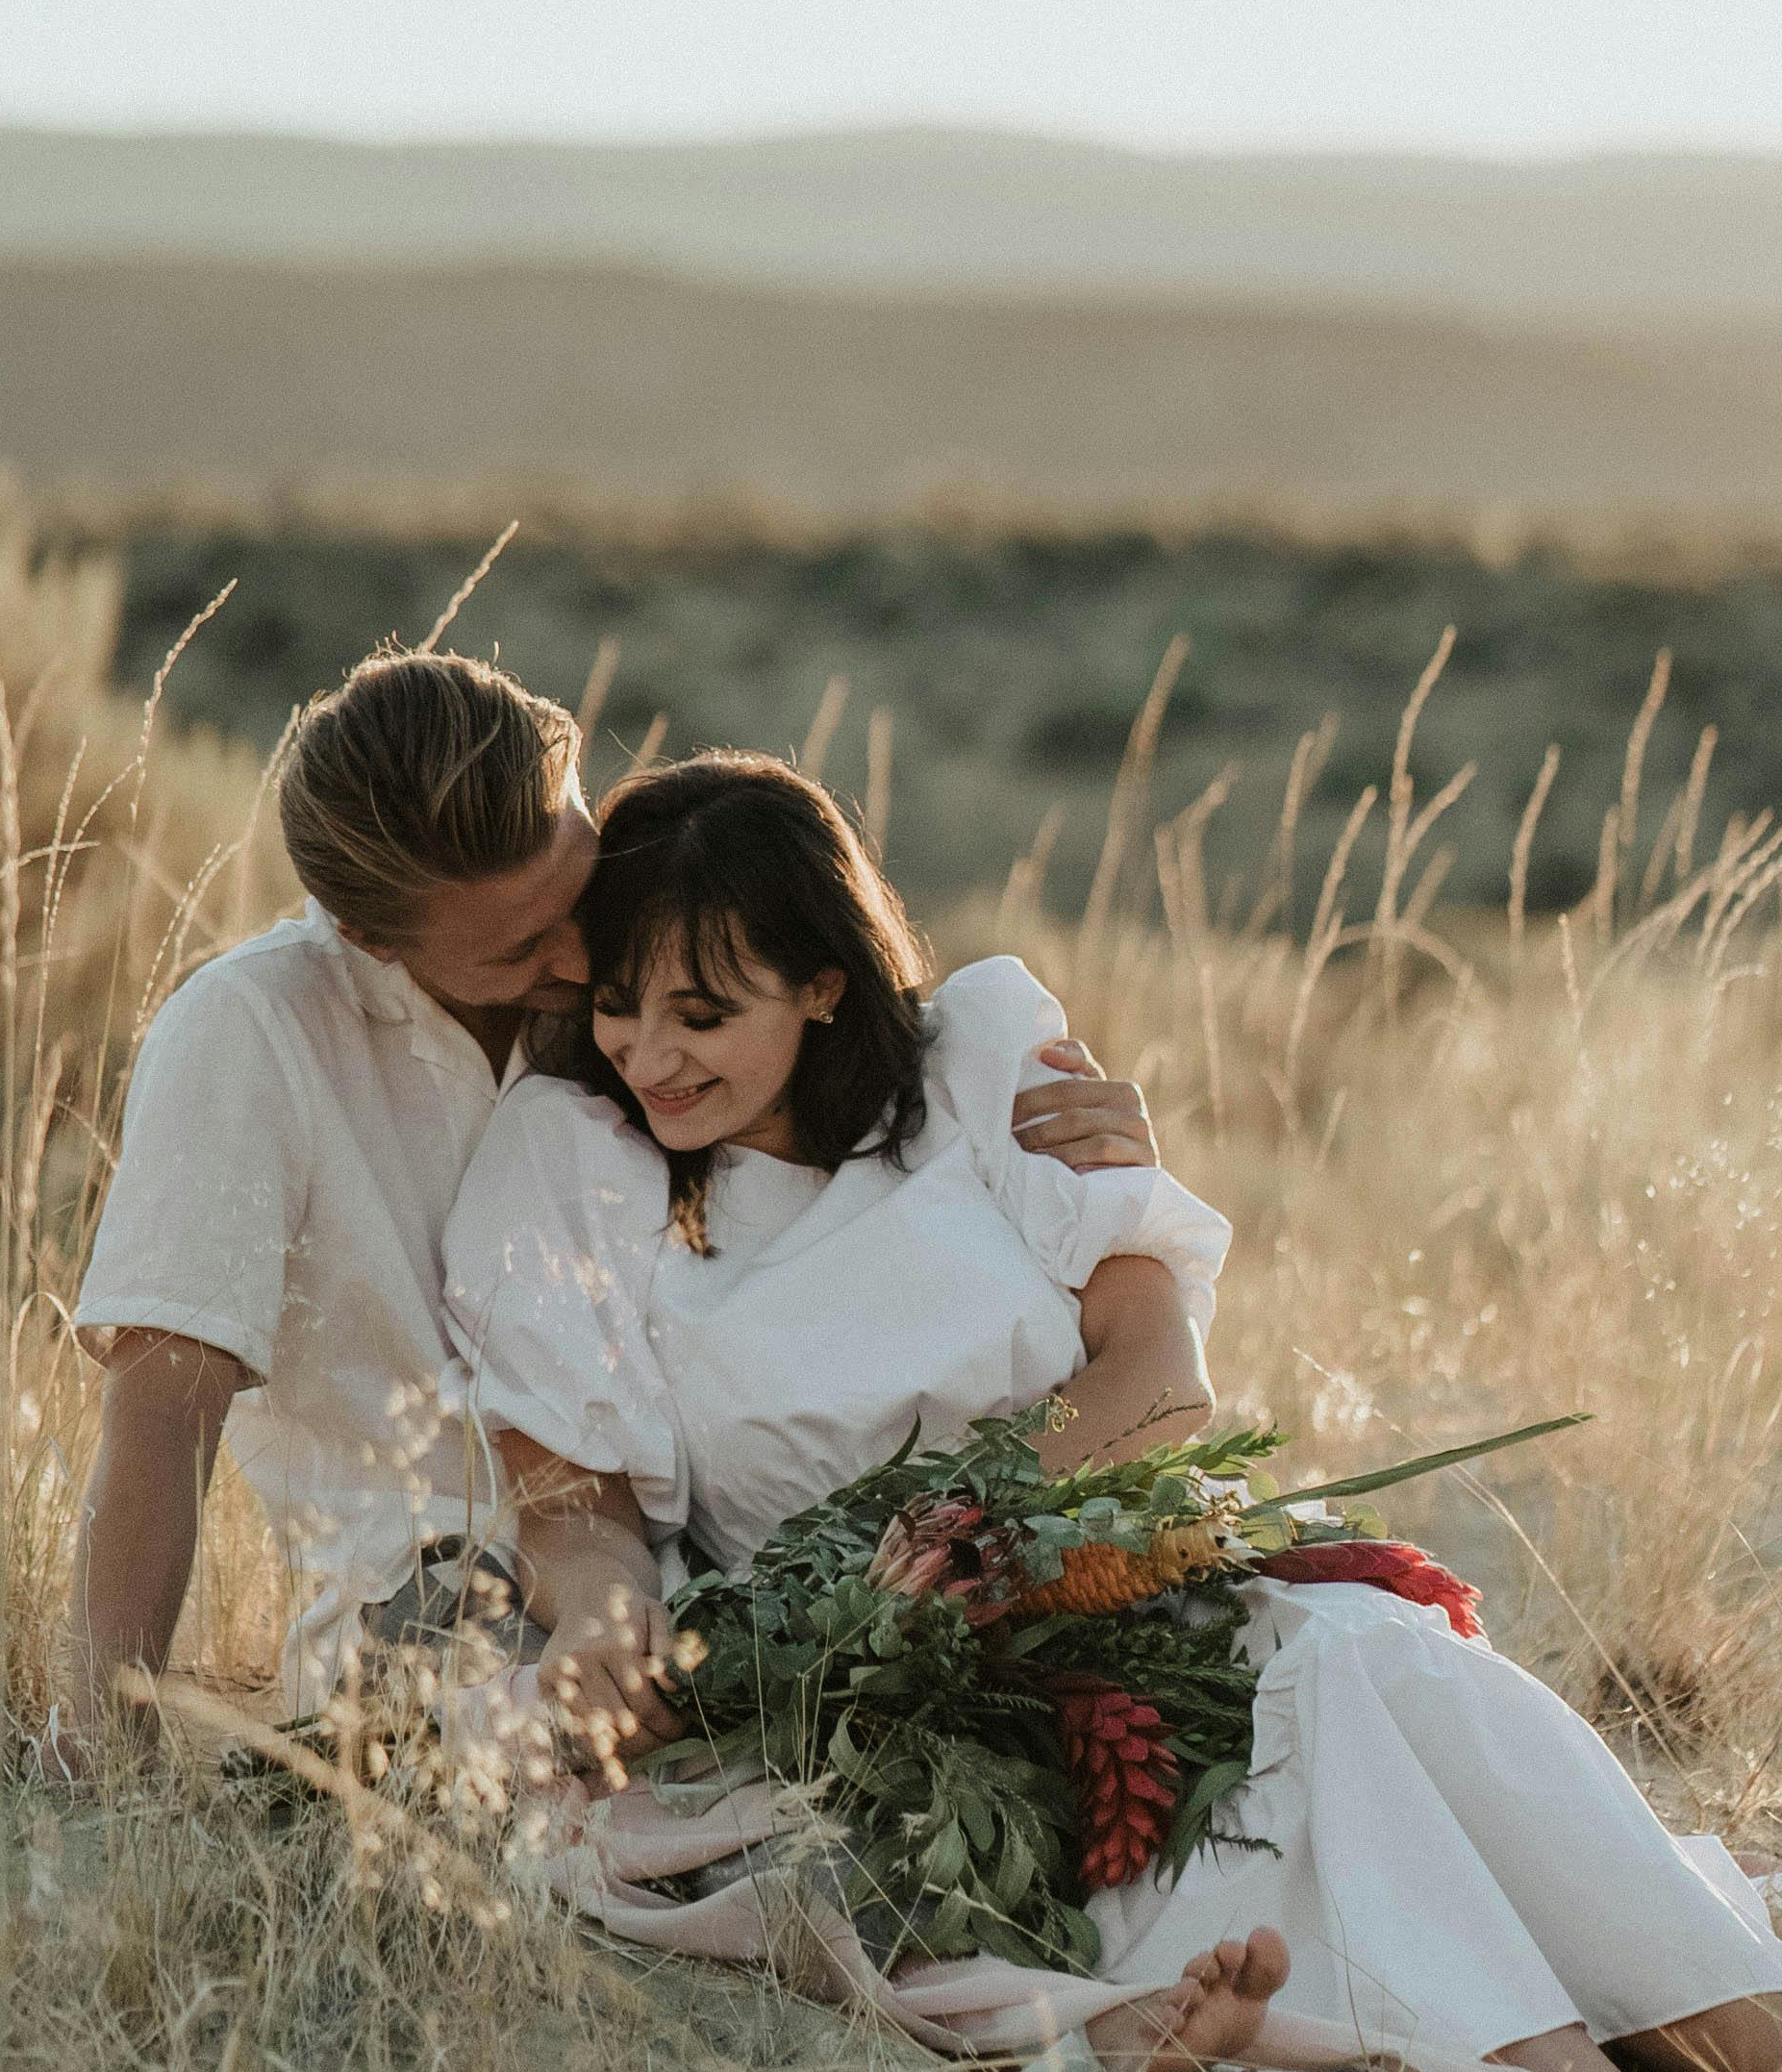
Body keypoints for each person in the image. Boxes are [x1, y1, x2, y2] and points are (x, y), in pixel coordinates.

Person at [442, 753, 1782, 2072]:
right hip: (895, 1677)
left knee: (1388, 1668)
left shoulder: (973, 1064)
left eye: (703, 1011)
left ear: (826, 983)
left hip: (1114, 1568)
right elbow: (572, 1497)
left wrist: (995, 1530)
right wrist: (608, 1615)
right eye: (622, 1007)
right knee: (1314, 1712)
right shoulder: (589, 1175)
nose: (652, 1053)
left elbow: (1158, 1378)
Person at [63, 649, 1159, 1747]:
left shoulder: (632, 1012)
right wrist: (104, 1739)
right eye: (522, 945)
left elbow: (785, 1003)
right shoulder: (250, 1034)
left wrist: (1049, 1157)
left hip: (707, 1567)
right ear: (370, 936)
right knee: (586, 1774)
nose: (587, 955)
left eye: (578, 891)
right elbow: (162, 1414)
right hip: (455, 1583)